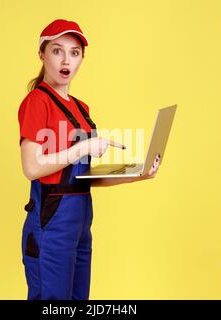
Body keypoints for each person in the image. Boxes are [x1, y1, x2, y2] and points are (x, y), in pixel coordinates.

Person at [18, 19, 161, 300]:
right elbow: (31, 167)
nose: (66, 60)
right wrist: (83, 148)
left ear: (82, 58)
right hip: (51, 224)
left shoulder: (82, 108)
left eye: (74, 52)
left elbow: (80, 178)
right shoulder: (37, 101)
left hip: (81, 222)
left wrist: (137, 173)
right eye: (57, 50)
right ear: (42, 54)